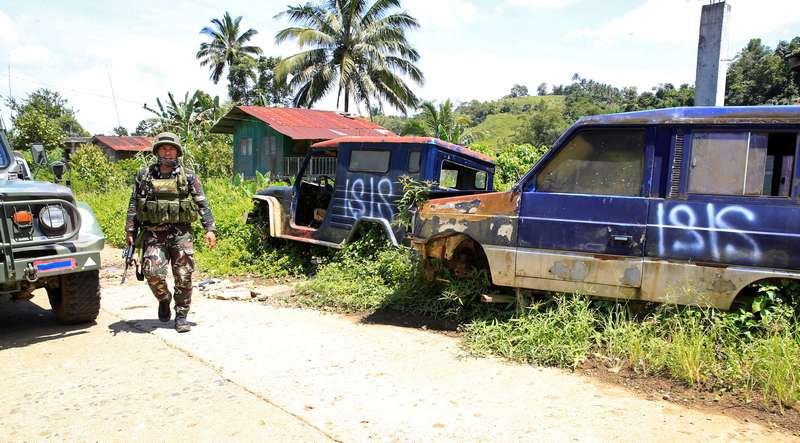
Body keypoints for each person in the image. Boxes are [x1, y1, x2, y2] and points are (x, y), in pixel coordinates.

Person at [125, 132, 217, 332]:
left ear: (177, 152)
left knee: (184, 276)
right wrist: (130, 229)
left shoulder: (188, 176)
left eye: (171, 148)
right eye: (163, 148)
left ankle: (181, 316)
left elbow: (202, 203)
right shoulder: (144, 174)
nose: (167, 152)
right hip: (153, 233)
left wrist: (209, 229)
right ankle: (164, 299)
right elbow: (134, 202)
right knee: (152, 273)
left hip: (181, 233)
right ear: (157, 151)